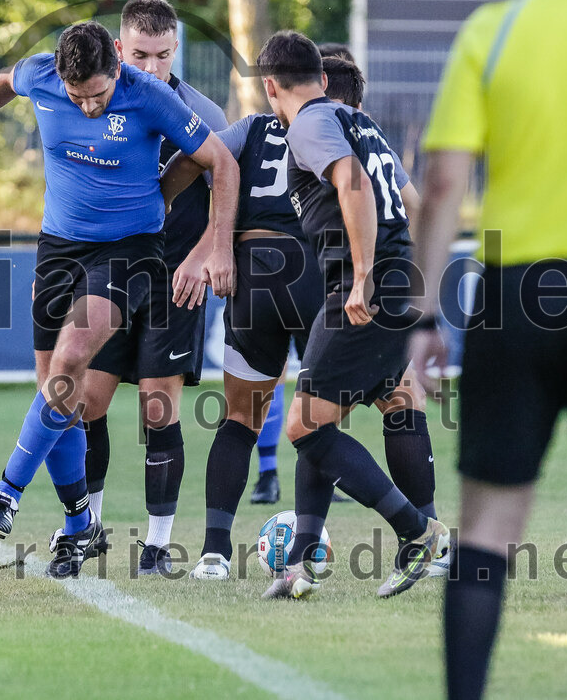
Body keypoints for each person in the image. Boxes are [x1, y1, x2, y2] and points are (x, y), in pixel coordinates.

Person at [0, 21, 240, 578]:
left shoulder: (149, 96)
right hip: (59, 247)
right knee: (57, 396)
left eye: (98, 95)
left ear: (116, 70)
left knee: (71, 362)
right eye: (77, 97)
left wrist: (216, 246)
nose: (88, 107)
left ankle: (6, 490)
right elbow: (2, 81)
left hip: (130, 250)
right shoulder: (41, 73)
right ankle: (78, 528)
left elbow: (222, 161)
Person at [412, 0, 567, 696]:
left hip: (522, 291)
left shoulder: (494, 29)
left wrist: (425, 314)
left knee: (491, 525)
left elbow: (441, 183)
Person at [253, 31, 449, 600]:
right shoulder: (363, 127)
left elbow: (353, 183)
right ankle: (303, 560)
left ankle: (418, 534)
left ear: (271, 86)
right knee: (322, 412)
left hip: (364, 290)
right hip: (389, 283)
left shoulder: (311, 122)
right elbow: (414, 207)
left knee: (304, 424)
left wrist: (365, 272)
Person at [75, 0, 227, 577]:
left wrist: (205, 254)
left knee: (158, 407)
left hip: (173, 283)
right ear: (119, 50)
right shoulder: (93, 106)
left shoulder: (201, 112)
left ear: (176, 51)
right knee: (88, 402)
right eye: (141, 54)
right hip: (110, 275)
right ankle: (85, 533)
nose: (154, 67)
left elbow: (225, 195)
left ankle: (158, 549)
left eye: (164, 55)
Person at [165, 101, 323, 579]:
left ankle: (214, 555)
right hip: (316, 271)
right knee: (321, 421)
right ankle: (312, 550)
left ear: (273, 86)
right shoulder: (336, 126)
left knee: (238, 418)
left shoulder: (250, 128)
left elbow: (195, 157)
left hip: (254, 270)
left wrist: (162, 200)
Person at [248, 52, 369, 507]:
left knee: (302, 378)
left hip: (303, 265)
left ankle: (286, 472)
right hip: (309, 264)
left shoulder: (283, 125)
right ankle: (271, 472)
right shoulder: (320, 128)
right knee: (301, 375)